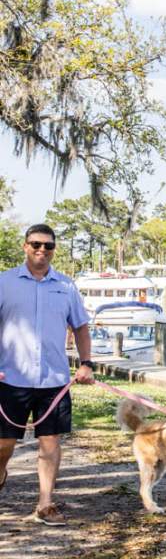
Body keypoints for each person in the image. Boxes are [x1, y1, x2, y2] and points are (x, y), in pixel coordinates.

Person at [0, 224, 95, 525]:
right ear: (25, 246)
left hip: (54, 380)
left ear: (54, 250)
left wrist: (86, 363)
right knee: (4, 444)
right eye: (36, 244)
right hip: (10, 378)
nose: (42, 250)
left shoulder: (66, 287)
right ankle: (2, 472)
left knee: (50, 441)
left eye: (48, 246)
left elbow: (80, 327)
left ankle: (45, 503)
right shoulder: (4, 283)